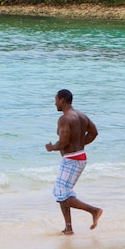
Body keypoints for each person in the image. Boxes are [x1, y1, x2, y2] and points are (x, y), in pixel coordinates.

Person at [45, 89, 103, 235]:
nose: (55, 103)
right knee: (63, 192)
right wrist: (80, 144)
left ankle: (94, 210)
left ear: (63, 100)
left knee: (61, 193)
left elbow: (63, 142)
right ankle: (68, 228)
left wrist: (52, 147)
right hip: (79, 157)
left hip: (72, 160)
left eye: (56, 100)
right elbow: (94, 132)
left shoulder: (65, 119)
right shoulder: (81, 116)